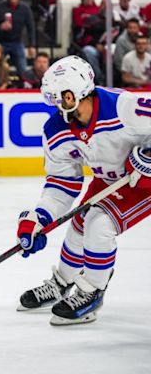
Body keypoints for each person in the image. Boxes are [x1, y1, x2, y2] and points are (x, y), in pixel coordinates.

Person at [16, 55, 151, 326]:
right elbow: (62, 184)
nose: (55, 105)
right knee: (78, 224)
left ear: (74, 92)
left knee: (99, 225)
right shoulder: (56, 129)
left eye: (59, 97)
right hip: (109, 181)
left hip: (143, 183)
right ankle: (62, 282)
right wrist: (38, 217)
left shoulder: (124, 107)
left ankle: (92, 290)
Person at [0, 0, 36, 76]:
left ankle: (24, 87)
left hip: (17, 42)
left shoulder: (25, 9)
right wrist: (0, 26)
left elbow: (30, 28)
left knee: (23, 69)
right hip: (0, 43)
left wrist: (31, 45)